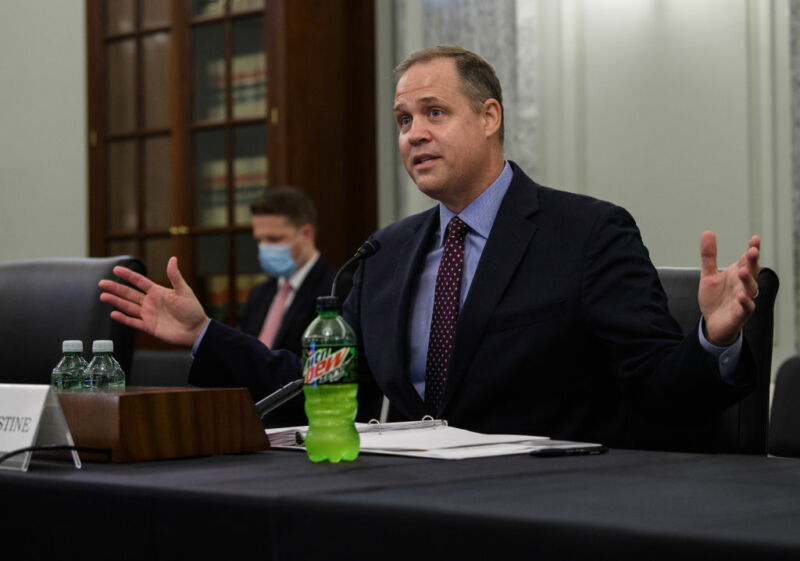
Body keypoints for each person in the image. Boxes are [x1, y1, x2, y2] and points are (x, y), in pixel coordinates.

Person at [99, 46, 761, 448]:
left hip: (552, 509)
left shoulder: (587, 234)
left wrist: (711, 338)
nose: (414, 133)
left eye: (434, 113)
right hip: (412, 504)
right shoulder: (385, 254)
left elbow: (655, 390)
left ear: (490, 117)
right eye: (403, 120)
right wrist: (202, 332)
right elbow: (320, 391)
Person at [241, 186, 351, 358]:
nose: (264, 247)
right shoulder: (259, 294)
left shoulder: (339, 288)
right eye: (259, 240)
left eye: (274, 239)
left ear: (306, 233)